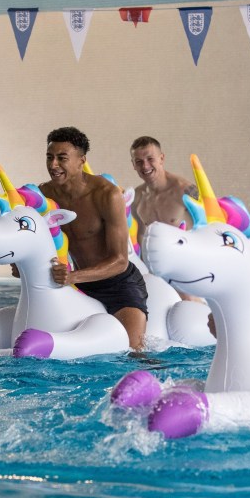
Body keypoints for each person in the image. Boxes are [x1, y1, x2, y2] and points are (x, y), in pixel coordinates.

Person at [38, 127, 148, 351]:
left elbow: (120, 261)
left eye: (62, 158)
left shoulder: (106, 195)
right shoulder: (45, 195)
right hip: (79, 286)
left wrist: (73, 276)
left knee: (132, 351)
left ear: (81, 160)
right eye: (49, 158)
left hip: (119, 284)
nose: (53, 165)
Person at [129, 136, 198, 242]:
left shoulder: (186, 191)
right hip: (154, 258)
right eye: (139, 161)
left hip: (187, 257)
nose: (145, 166)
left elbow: (209, 225)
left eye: (150, 159)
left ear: (161, 158)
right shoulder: (136, 197)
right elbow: (142, 236)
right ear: (133, 164)